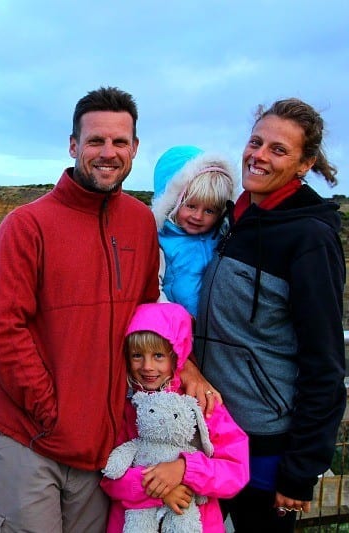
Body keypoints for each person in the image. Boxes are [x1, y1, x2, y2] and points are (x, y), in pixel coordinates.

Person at [0, 86, 219, 532]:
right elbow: (0, 332)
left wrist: (188, 367)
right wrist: (54, 414)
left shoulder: (140, 222)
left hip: (102, 444)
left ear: (135, 149)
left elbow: (151, 320)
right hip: (25, 436)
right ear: (73, 145)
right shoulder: (27, 225)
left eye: (120, 142)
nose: (108, 152)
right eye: (96, 141)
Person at [195, 97, 346, 531]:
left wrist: (300, 470)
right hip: (210, 432)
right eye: (256, 142)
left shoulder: (309, 239)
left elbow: (325, 364)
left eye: (278, 150)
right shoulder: (237, 216)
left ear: (305, 164)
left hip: (265, 445)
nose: (259, 155)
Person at [101, 302, 249, 532]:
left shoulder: (201, 402)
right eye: (137, 355)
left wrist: (184, 469)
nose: (147, 366)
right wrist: (160, 489)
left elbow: (235, 470)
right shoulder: (125, 408)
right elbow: (109, 476)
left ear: (177, 355)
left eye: (158, 355)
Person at [151, 145, 238, 317]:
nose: (198, 216)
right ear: (172, 201)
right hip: (178, 327)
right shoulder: (161, 242)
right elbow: (153, 288)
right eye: (191, 206)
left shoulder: (222, 238)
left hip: (212, 328)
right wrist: (174, 318)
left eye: (209, 210)